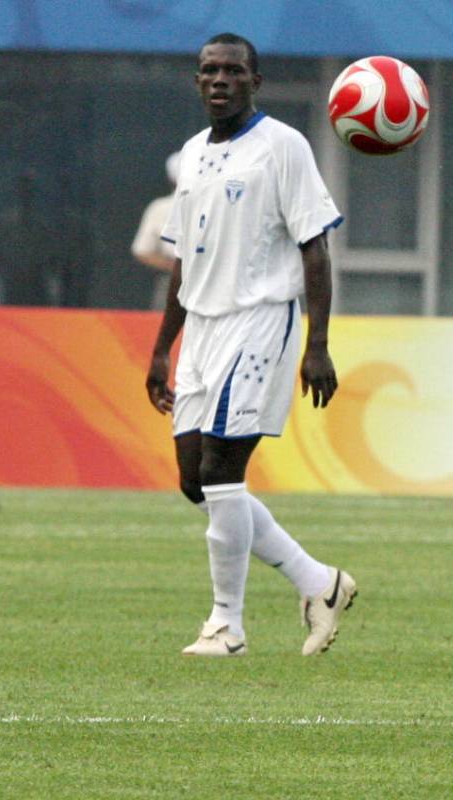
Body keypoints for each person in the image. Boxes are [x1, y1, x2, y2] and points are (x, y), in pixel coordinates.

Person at [145, 33, 356, 658]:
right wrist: (162, 349)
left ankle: (225, 625)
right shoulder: (191, 157)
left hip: (261, 320)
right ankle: (319, 582)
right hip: (203, 330)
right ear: (197, 80)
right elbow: (182, 262)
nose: (219, 80)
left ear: (255, 81)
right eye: (209, 70)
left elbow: (315, 247)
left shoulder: (282, 146)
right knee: (194, 481)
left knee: (222, 471)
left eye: (233, 71)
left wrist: (318, 343)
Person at [132, 151, 182, 310]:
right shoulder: (160, 208)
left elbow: (142, 251)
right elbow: (142, 250)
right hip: (174, 280)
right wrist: (174, 266)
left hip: (211, 281)